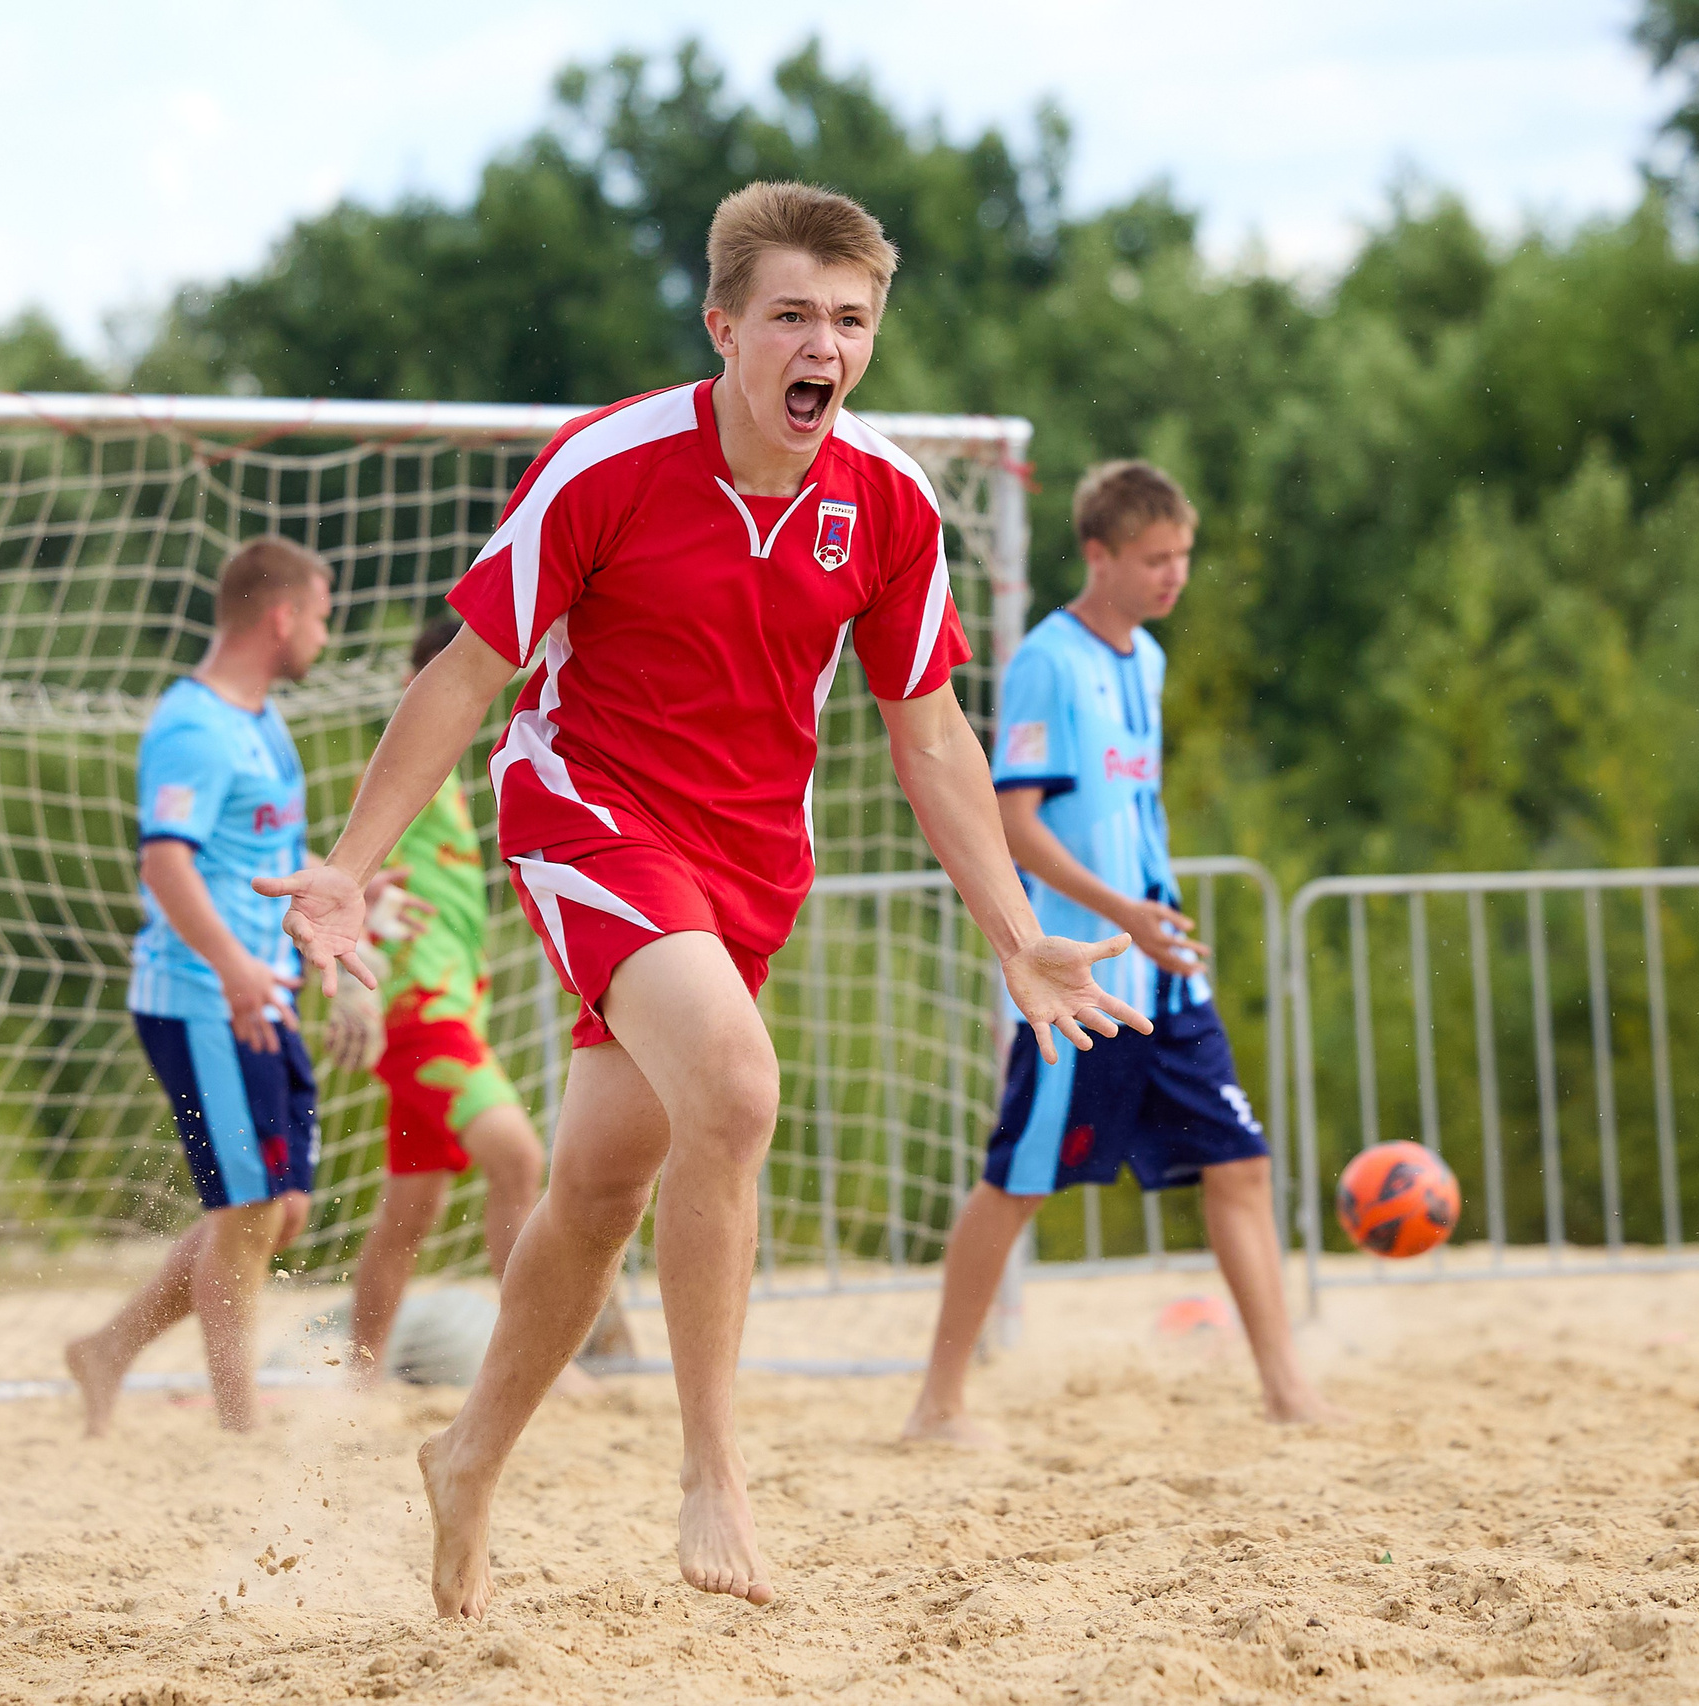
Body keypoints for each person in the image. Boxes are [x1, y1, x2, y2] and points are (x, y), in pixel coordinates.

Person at [256, 181, 1149, 1618]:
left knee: (604, 1175)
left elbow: (928, 736)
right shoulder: (607, 464)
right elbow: (464, 676)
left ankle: (468, 1452)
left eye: (851, 321)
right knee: (737, 1091)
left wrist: (1014, 928)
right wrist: (350, 868)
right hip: (588, 810)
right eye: (793, 314)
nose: (825, 345)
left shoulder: (891, 502)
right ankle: (715, 1469)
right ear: (726, 325)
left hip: (748, 857)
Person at [900, 461, 1340, 1450]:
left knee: (1240, 1163)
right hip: (1080, 976)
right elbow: (1014, 822)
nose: (1173, 575)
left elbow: (1127, 812)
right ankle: (937, 1399)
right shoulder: (1048, 660)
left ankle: (1284, 1387)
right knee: (1016, 1181)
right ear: (1098, 555)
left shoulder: (1146, 660)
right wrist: (1120, 913)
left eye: (1182, 556)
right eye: (1154, 558)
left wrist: (1159, 917)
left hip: (1163, 971)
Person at [64, 537, 334, 1436]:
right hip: (208, 996)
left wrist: (346, 897)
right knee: (251, 1205)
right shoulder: (191, 725)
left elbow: (269, 856)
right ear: (281, 616)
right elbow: (164, 861)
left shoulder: (262, 722)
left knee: (279, 1209)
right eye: (323, 615)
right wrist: (232, 969)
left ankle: (107, 1348)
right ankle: (240, 1424)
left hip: (264, 989)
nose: (326, 636)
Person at [326, 618, 548, 1382]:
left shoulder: (456, 781)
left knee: (406, 1217)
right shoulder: (404, 776)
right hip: (425, 1019)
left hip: (449, 1014)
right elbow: (351, 867)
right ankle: (532, 1361)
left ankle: (360, 1378)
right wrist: (364, 915)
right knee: (520, 1158)